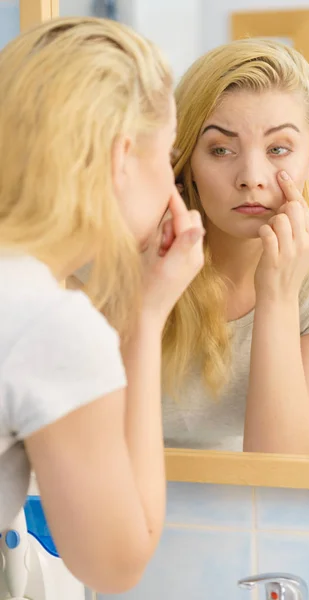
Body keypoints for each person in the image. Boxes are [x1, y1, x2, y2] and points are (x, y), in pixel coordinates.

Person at [0, 17, 204, 594]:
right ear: (120, 157)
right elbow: (114, 564)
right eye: (167, 155)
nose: (173, 183)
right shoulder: (49, 322)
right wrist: (145, 319)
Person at [161, 39, 309, 455]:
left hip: (255, 516)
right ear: (184, 160)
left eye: (278, 149)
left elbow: (287, 475)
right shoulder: (122, 263)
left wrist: (278, 294)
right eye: (221, 149)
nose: (251, 177)